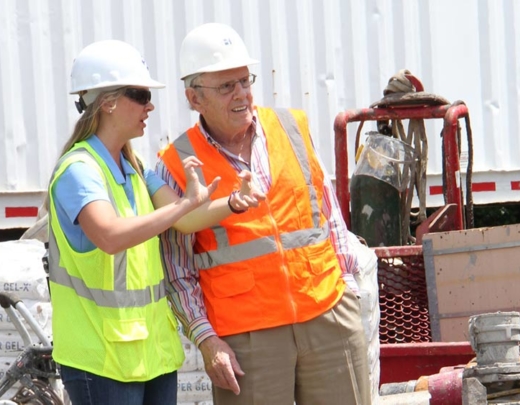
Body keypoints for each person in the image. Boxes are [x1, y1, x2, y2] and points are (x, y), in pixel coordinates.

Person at [156, 23, 371, 405]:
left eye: (244, 81)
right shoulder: (175, 164)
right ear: (194, 97)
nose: (241, 94)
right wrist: (206, 340)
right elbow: (177, 267)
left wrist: (349, 293)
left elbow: (328, 215)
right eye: (226, 86)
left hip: (327, 315)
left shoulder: (292, 127)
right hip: (246, 339)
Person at [47, 39, 264, 405]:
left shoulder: (134, 167)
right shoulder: (79, 171)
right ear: (108, 102)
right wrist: (182, 207)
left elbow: (187, 219)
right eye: (141, 94)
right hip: (102, 359)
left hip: (149, 354)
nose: (150, 105)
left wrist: (232, 204)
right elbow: (111, 236)